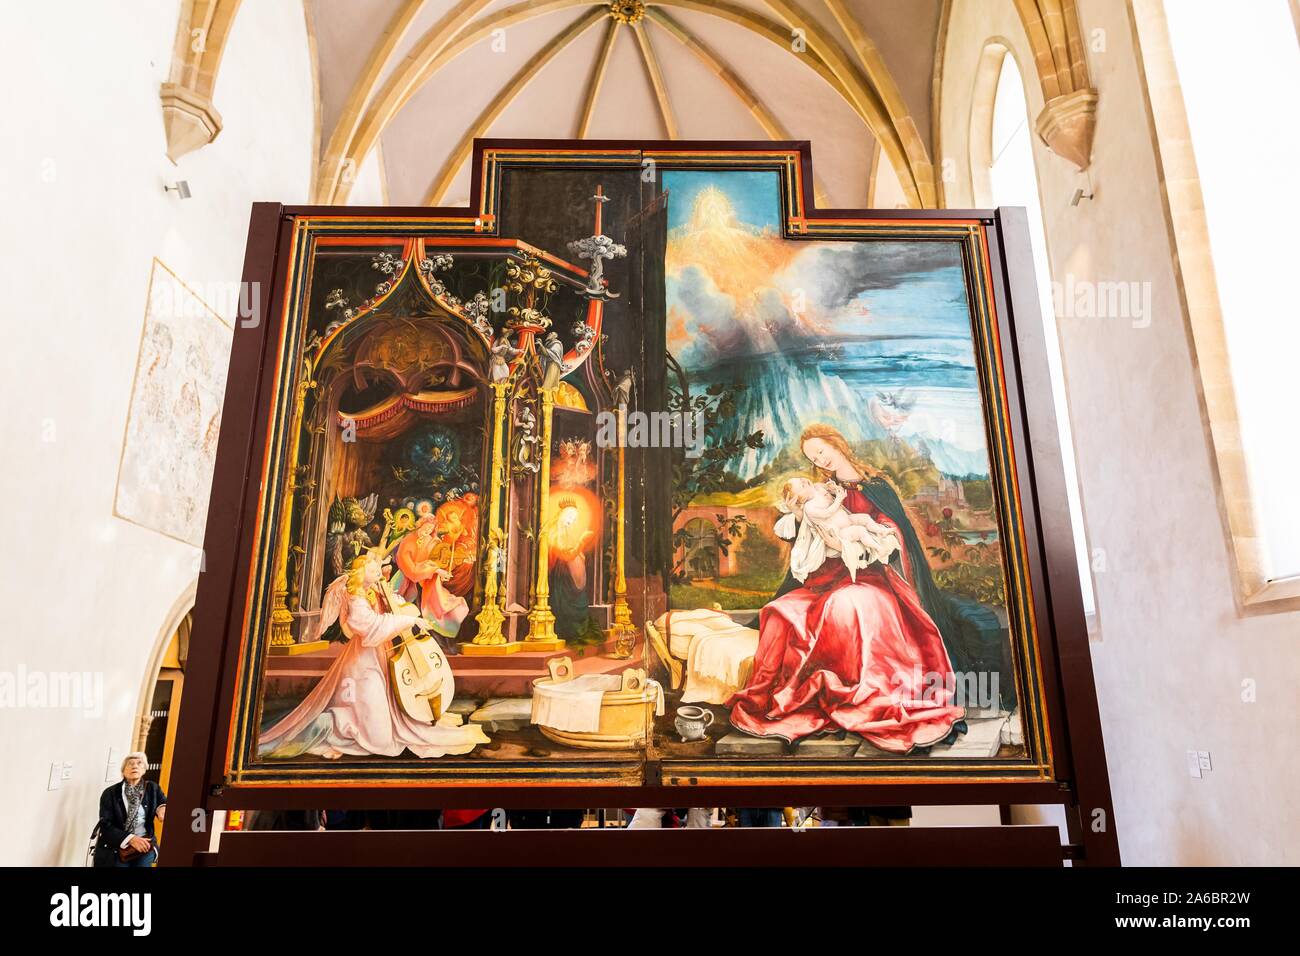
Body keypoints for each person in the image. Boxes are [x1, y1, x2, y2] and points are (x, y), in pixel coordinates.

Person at [727, 424, 967, 753]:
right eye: (813, 457)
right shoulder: (823, 491)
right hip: (827, 579)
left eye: (822, 451)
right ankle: (806, 694)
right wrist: (800, 518)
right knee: (782, 612)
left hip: (874, 581)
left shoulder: (875, 486)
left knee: (844, 604)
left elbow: (895, 534)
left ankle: (858, 692)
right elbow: (807, 537)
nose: (821, 460)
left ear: (837, 445)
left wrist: (872, 535)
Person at [258, 549, 488, 759]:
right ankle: (330, 726)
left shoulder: (374, 590)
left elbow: (397, 606)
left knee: (387, 724)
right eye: (372, 568)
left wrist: (398, 604)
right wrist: (409, 619)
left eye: (378, 567)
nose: (378, 571)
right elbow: (370, 626)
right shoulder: (355, 596)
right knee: (379, 737)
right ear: (359, 572)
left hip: (381, 657)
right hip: (363, 664)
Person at [93, 753, 165, 867]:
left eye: (139, 763)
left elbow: (162, 802)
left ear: (144, 769)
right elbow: (105, 825)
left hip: (144, 844)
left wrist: (162, 809)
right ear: (123, 771)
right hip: (118, 846)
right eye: (130, 764)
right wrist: (131, 839)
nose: (135, 766)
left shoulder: (153, 788)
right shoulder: (110, 793)